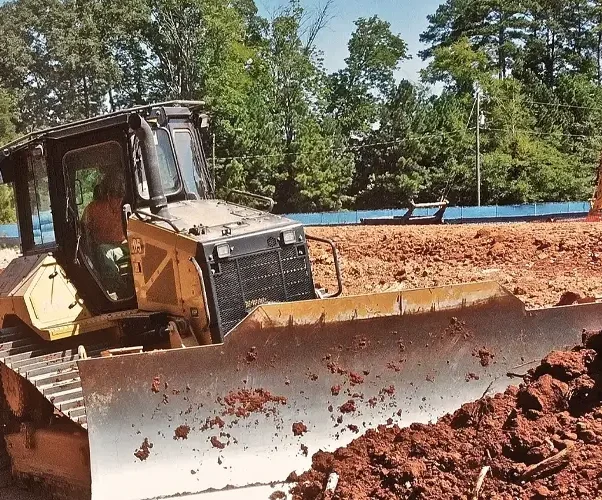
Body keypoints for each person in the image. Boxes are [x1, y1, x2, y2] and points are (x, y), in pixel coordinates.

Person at [82, 175, 130, 298]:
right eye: (115, 194)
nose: (119, 198)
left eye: (121, 193)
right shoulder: (92, 209)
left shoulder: (129, 205)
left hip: (127, 245)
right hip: (107, 248)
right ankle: (120, 290)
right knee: (103, 251)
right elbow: (84, 230)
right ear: (107, 194)